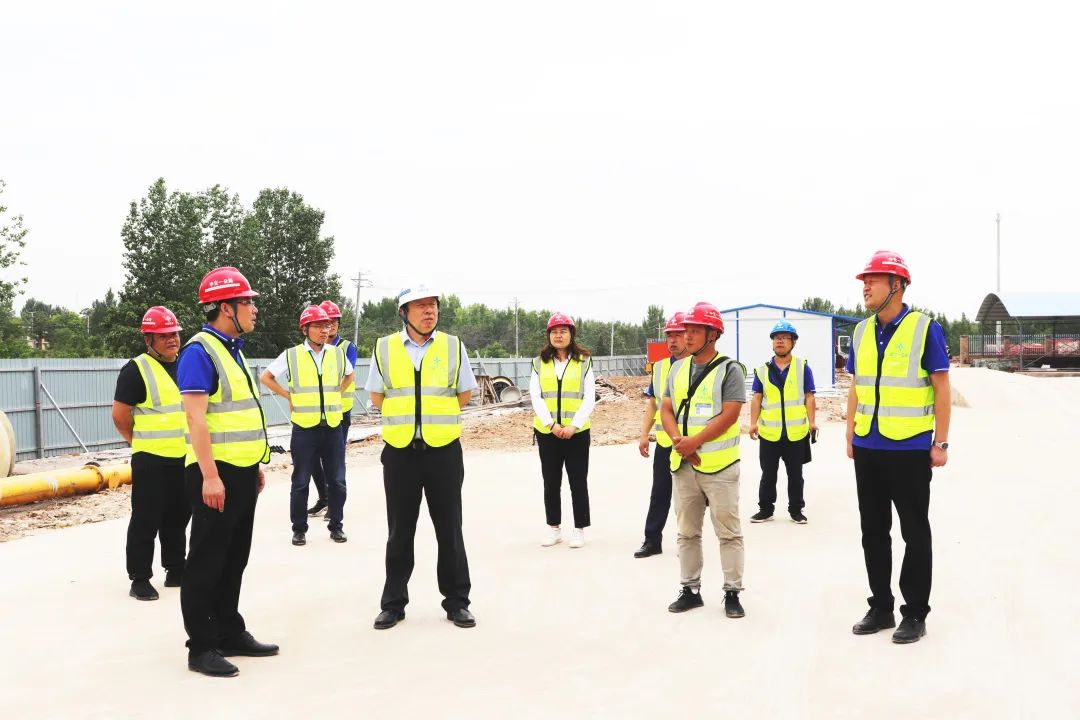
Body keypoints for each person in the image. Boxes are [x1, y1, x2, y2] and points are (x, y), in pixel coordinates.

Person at [846, 250, 951, 644]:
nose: (865, 287)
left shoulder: (925, 329)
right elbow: (857, 384)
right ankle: (881, 607)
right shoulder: (860, 331)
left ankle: (915, 613)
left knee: (914, 532)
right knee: (873, 531)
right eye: (864, 280)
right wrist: (850, 433)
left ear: (897, 285)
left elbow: (941, 388)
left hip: (909, 449)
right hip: (868, 446)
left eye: (873, 280)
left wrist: (941, 442)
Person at [178, 267, 277, 677]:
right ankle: (201, 647)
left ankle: (229, 632)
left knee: (234, 559)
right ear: (225, 307)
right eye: (247, 302)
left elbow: (237, 417)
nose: (254, 308)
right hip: (214, 475)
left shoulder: (231, 348)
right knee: (205, 562)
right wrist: (210, 476)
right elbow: (196, 419)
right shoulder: (199, 352)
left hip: (240, 472)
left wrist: (252, 467)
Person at [364, 285, 478, 630]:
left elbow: (464, 393)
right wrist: (408, 420)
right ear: (404, 313)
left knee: (450, 529)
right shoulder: (385, 347)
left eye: (433, 305)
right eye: (420, 306)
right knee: (399, 531)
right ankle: (393, 604)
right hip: (400, 453)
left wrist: (431, 420)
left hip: (443, 451)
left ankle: (457, 602)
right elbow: (377, 395)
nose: (429, 311)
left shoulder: (453, 346)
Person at [660, 301, 747, 618]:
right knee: (687, 532)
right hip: (684, 466)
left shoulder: (730, 369)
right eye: (686, 330)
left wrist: (694, 442)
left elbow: (731, 414)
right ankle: (690, 590)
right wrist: (678, 442)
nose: (687, 335)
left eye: (695, 330)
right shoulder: (677, 369)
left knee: (729, 533)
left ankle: (732, 592)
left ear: (713, 334)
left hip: (720, 467)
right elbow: (666, 409)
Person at [111, 306, 191, 601]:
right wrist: (140, 442)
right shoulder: (136, 369)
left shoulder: (186, 365)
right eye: (164, 335)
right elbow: (120, 416)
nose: (172, 339)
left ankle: (176, 568)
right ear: (149, 339)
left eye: (174, 333)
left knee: (179, 515)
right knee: (146, 518)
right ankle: (140, 578)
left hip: (183, 456)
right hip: (150, 459)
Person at [259, 305, 353, 546]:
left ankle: (336, 526)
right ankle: (299, 529)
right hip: (305, 429)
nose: (324, 330)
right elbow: (265, 377)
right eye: (318, 326)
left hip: (332, 426)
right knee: (300, 481)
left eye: (327, 325)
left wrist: (336, 394)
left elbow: (350, 375)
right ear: (305, 329)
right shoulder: (291, 355)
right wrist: (288, 396)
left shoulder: (337, 354)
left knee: (337, 481)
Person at [530, 312, 596, 549]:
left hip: (577, 433)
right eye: (554, 332)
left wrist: (573, 426)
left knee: (578, 481)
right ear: (548, 335)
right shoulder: (539, 362)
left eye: (563, 331)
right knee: (551, 481)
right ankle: (554, 528)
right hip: (548, 433)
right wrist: (552, 425)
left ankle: (579, 529)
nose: (558, 336)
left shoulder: (584, 361)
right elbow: (536, 396)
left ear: (571, 334)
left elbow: (589, 397)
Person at [748, 320, 817, 524]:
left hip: (795, 433)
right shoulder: (762, 370)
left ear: (793, 342)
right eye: (776, 338)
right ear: (772, 342)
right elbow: (757, 398)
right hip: (769, 433)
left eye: (785, 338)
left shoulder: (802, 367)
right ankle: (765, 510)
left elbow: (809, 397)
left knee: (796, 475)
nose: (780, 341)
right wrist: (753, 423)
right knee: (768, 474)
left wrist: (812, 422)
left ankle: (796, 510)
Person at [634, 311, 689, 558]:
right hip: (666, 443)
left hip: (691, 442)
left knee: (689, 497)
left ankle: (688, 542)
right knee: (659, 494)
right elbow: (652, 404)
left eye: (678, 335)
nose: (673, 340)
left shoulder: (699, 366)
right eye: (669, 335)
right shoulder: (659, 367)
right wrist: (644, 434)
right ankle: (652, 540)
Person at [305, 299, 358, 518]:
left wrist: (332, 395)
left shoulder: (346, 348)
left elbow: (346, 373)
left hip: (340, 412)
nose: (332, 325)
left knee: (335, 460)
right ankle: (324, 497)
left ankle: (336, 506)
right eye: (327, 321)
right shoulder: (310, 349)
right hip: (314, 413)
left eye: (335, 321)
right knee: (312, 458)